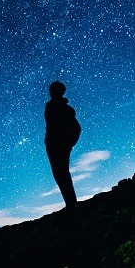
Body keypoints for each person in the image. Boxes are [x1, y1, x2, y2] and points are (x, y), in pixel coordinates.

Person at [44, 81, 80, 210]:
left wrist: (70, 143)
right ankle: (70, 203)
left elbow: (77, 128)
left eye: (54, 90)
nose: (51, 92)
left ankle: (71, 204)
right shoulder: (51, 106)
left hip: (60, 144)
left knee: (62, 173)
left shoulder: (66, 109)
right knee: (59, 173)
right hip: (52, 144)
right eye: (51, 89)